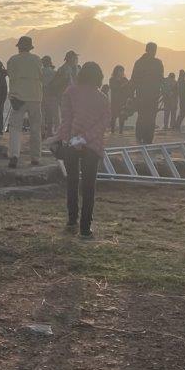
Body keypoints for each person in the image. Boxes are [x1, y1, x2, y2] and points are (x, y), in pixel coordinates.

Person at [55, 61, 110, 240]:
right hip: (92, 146)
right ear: (99, 77)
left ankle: (72, 220)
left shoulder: (70, 92)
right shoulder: (102, 98)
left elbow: (66, 120)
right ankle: (85, 229)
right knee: (89, 187)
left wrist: (68, 139)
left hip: (72, 144)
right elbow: (103, 124)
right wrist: (86, 137)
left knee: (72, 182)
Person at [6, 35, 43, 168]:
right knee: (35, 128)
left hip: (18, 98)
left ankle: (14, 156)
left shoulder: (12, 60)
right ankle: (35, 158)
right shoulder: (37, 59)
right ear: (30, 47)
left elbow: (10, 75)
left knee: (15, 128)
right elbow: (41, 76)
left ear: (19, 47)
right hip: (35, 97)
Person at [129, 42, 164, 144]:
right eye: (153, 50)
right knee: (149, 117)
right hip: (150, 95)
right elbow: (161, 79)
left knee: (144, 116)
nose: (154, 52)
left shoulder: (139, 62)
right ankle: (146, 138)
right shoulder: (157, 63)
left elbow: (133, 79)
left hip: (145, 95)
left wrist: (131, 94)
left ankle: (142, 137)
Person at [41, 55, 59, 138]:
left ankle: (42, 132)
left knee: (42, 114)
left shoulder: (40, 71)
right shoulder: (54, 72)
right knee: (52, 114)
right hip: (52, 95)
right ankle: (51, 132)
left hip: (41, 94)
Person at [108, 65, 129, 136]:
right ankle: (112, 131)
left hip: (123, 101)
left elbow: (128, 89)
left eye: (122, 71)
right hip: (115, 101)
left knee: (122, 116)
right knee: (113, 116)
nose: (121, 72)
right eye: (120, 70)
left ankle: (121, 131)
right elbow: (113, 88)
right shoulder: (112, 79)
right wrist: (122, 85)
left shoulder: (125, 80)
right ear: (116, 71)